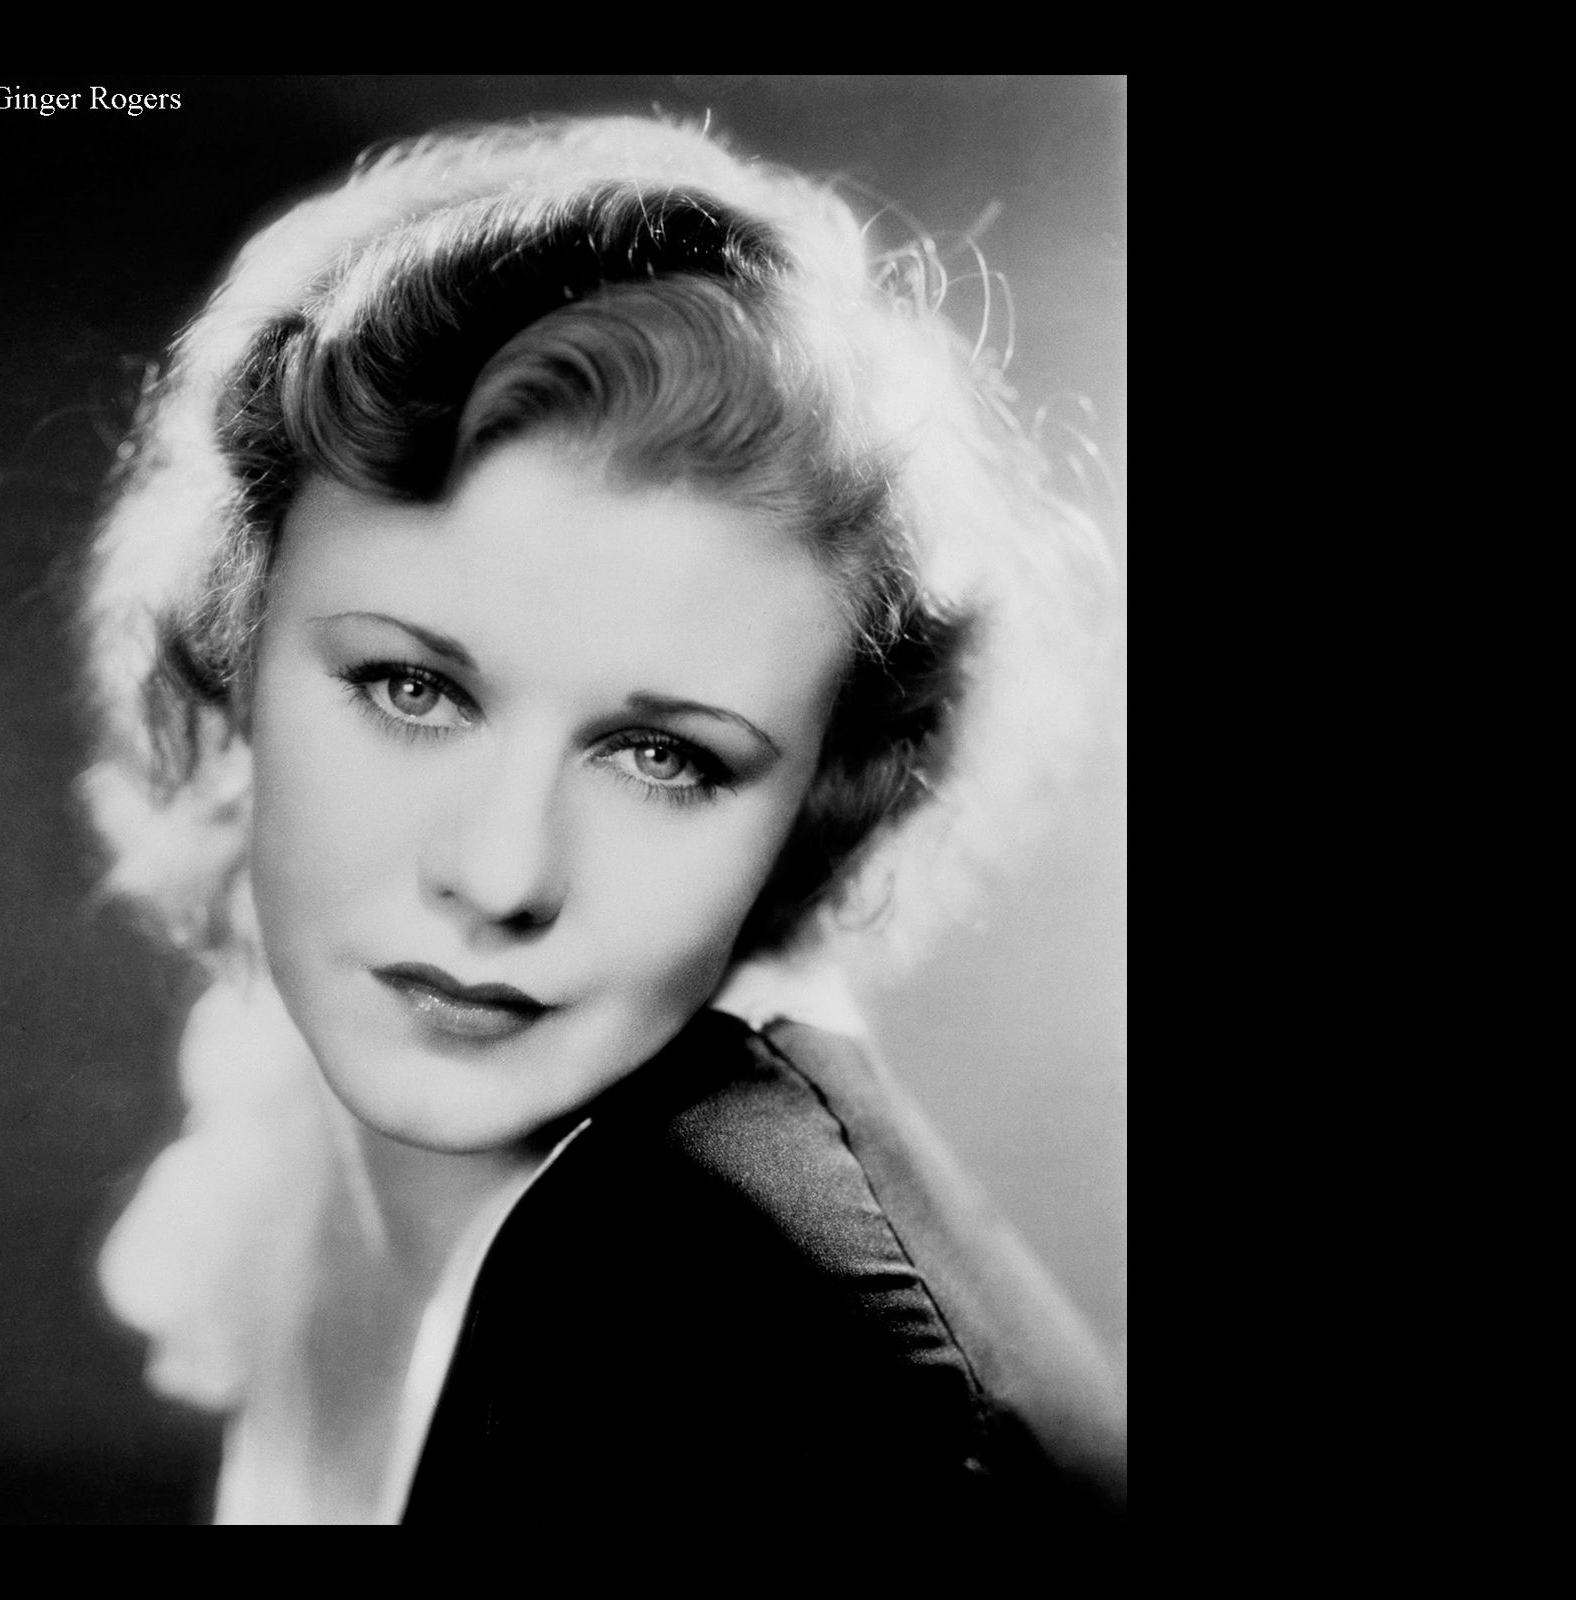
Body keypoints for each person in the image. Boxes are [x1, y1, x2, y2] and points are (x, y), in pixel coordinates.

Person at [76, 115, 1124, 1530]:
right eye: (412, 689)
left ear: (822, 800)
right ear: (235, 652)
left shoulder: (735, 1361)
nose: (499, 874)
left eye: (660, 756)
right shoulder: (315, 1107)